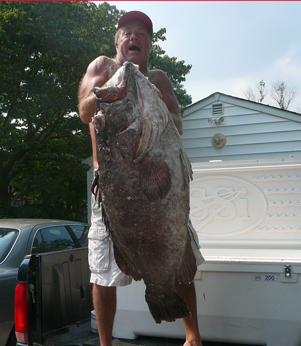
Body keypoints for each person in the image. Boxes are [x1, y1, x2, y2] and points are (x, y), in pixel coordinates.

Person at [78, 11, 204, 346]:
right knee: (103, 270)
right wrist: (111, 90)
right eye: (127, 32)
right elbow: (86, 111)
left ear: (148, 45)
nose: (134, 37)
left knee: (176, 250)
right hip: (113, 186)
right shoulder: (102, 68)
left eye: (142, 34)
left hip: (160, 184)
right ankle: (106, 343)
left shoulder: (159, 79)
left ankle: (193, 338)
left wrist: (160, 106)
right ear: (117, 41)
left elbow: (177, 122)